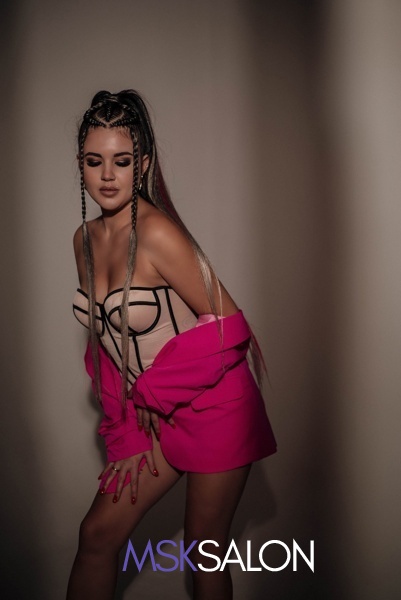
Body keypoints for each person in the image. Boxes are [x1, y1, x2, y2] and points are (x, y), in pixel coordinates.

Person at [67, 89, 277, 600]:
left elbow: (230, 328)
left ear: (141, 165)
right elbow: (105, 348)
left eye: (122, 161)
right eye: (95, 161)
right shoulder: (83, 239)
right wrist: (126, 433)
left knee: (205, 555)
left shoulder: (158, 233)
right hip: (151, 413)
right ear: (81, 165)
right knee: (97, 536)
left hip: (216, 407)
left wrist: (151, 395)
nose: (108, 175)